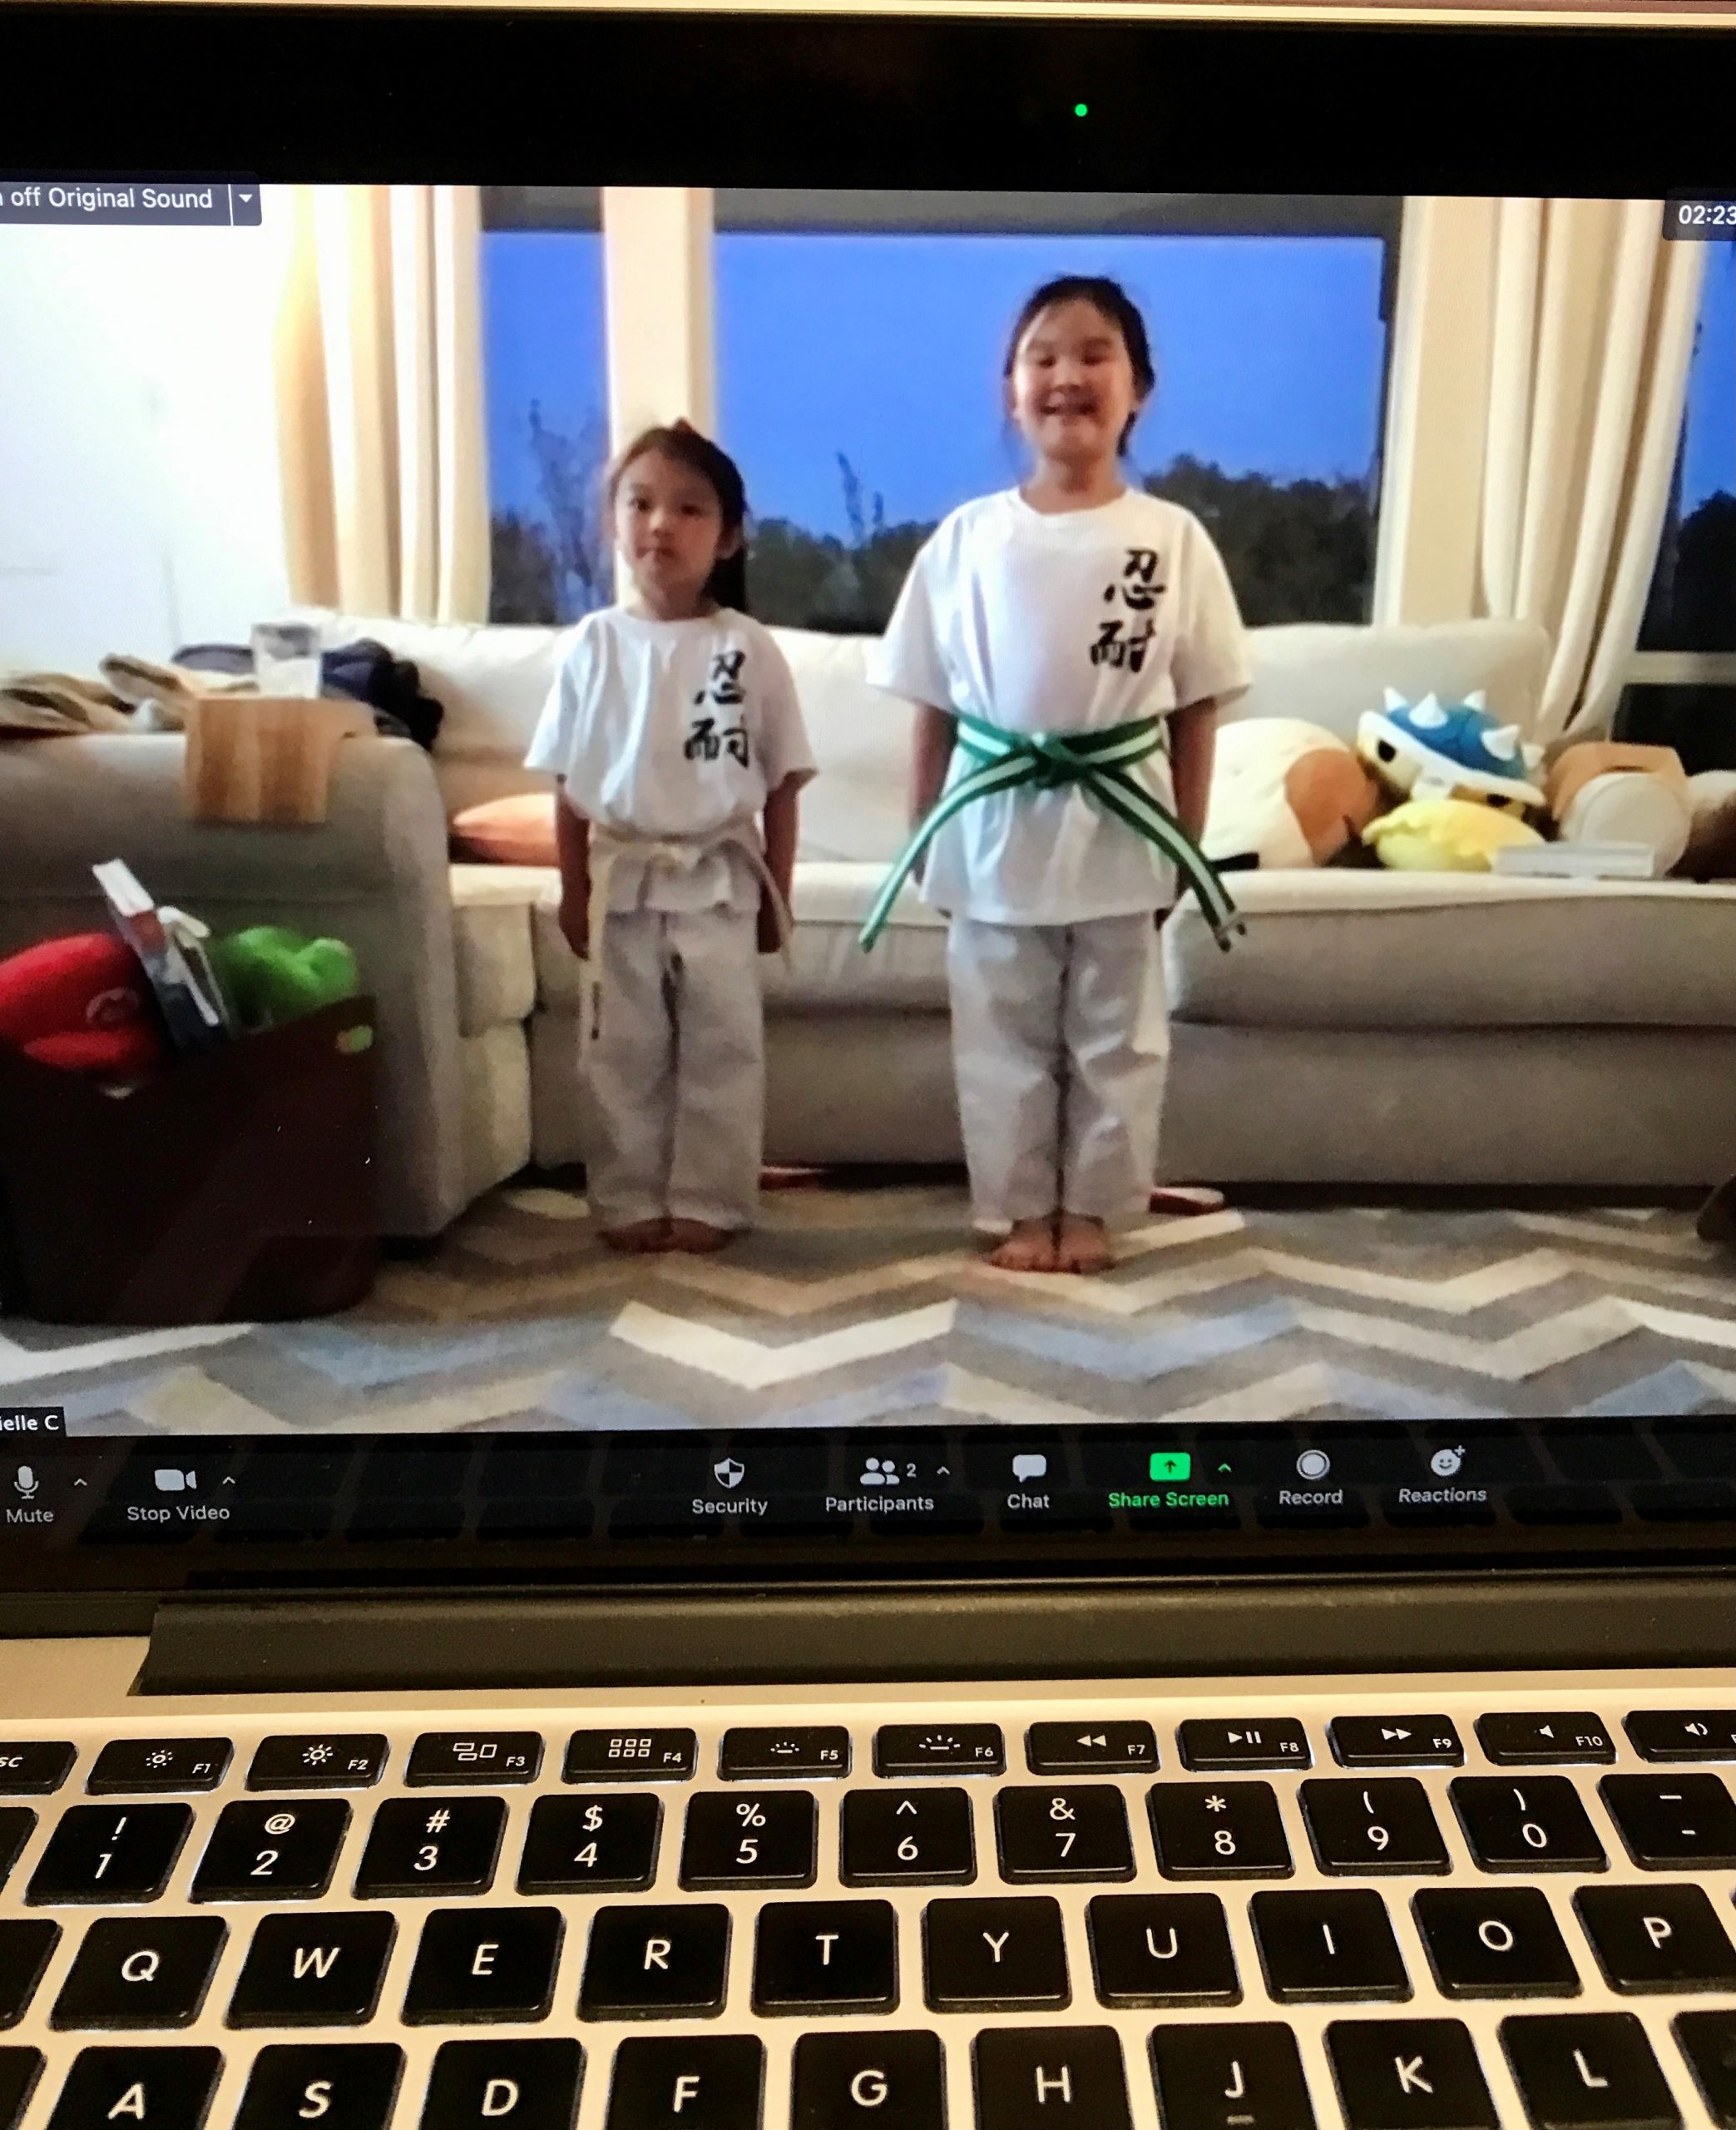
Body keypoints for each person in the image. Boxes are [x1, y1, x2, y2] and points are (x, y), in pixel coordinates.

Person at [865, 275, 1249, 1276]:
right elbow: (933, 703)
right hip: (993, 825)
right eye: (1042, 356)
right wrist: (922, 833)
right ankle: (1016, 1209)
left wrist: (1185, 842)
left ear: (1138, 389)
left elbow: (1194, 702)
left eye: (1093, 355)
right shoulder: (966, 538)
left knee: (1116, 1039)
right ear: (1008, 390)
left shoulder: (1171, 538)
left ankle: (1094, 1210)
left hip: (1123, 823)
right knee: (1000, 1040)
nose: (1066, 376)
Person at [526, 422, 814, 1254]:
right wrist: (573, 889)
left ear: (725, 537)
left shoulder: (745, 648)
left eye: (688, 508)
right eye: (640, 502)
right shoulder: (594, 644)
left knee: (722, 1046)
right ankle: (627, 1199)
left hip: (720, 877)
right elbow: (569, 786)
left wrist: (778, 896)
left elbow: (782, 782)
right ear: (611, 522)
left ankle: (710, 1200)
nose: (661, 524)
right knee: (623, 1049)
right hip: (623, 877)